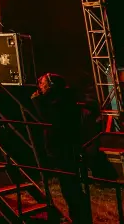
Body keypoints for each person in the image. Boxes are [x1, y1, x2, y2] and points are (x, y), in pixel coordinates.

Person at [32, 73, 90, 222]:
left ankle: (80, 217)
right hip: (61, 147)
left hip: (64, 147)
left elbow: (49, 119)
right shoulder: (63, 99)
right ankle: (78, 216)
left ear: (51, 86)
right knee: (69, 185)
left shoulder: (61, 102)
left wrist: (37, 101)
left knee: (70, 186)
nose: (41, 88)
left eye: (43, 84)